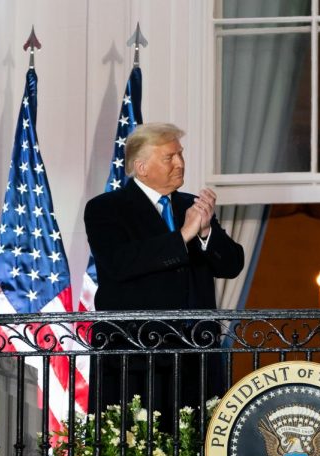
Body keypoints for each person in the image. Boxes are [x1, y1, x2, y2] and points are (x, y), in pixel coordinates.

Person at [84, 122, 245, 423]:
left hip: (195, 356)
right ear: (141, 166)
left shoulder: (192, 206)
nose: (180, 163)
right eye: (169, 157)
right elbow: (120, 263)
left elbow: (231, 265)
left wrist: (207, 229)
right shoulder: (106, 208)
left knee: (196, 455)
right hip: (135, 357)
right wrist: (182, 235)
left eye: (180, 155)